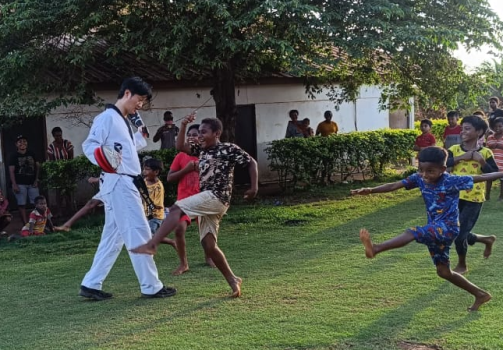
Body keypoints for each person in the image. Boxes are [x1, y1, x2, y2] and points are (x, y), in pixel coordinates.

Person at [352, 146, 503, 311]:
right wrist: (371, 190)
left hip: (448, 228)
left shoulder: (451, 180)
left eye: (430, 171)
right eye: (421, 169)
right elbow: (395, 185)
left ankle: (376, 249)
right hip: (434, 228)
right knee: (443, 272)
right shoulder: (419, 178)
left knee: (413, 232)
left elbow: (483, 176)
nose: (424, 175)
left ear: (443, 169)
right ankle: (480, 294)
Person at [132, 116, 259, 298]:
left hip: (217, 197)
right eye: (199, 132)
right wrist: (183, 125)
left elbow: (251, 162)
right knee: (208, 245)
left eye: (204, 132)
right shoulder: (202, 150)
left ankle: (152, 244)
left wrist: (254, 187)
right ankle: (233, 280)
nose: (199, 136)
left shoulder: (228, 148)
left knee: (176, 208)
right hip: (209, 201)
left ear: (217, 133)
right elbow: (180, 147)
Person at [79, 76, 175, 301]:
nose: (140, 104)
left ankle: (91, 283)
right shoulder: (107, 118)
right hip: (119, 182)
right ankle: (151, 286)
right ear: (127, 94)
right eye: (139, 99)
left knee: (113, 237)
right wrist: (105, 159)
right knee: (139, 231)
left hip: (123, 182)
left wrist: (139, 129)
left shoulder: (121, 120)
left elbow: (133, 147)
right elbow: (89, 145)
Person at [447, 115, 497, 275]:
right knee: (455, 232)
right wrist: (462, 158)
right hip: (454, 197)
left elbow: (495, 174)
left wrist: (481, 162)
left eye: (467, 129)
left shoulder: (486, 152)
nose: (463, 132)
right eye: (463, 128)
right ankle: (486, 239)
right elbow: (443, 166)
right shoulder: (454, 150)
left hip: (474, 199)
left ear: (479, 131)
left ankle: (462, 265)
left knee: (460, 235)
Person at [167, 124, 214, 275]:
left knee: (206, 231)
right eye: (190, 135)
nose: (192, 137)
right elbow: (170, 178)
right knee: (179, 230)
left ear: (201, 137)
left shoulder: (206, 154)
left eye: (195, 134)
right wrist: (186, 169)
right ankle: (184, 264)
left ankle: (209, 257)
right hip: (184, 201)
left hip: (202, 199)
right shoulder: (181, 156)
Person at [142, 158, 176, 248]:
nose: (144, 172)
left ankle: (171, 242)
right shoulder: (145, 181)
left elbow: (155, 205)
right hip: (145, 214)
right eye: (144, 169)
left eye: (147, 169)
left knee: (148, 237)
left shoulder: (158, 187)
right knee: (148, 236)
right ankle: (172, 242)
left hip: (155, 216)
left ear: (156, 172)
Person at [8, 135, 40, 225]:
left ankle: (38, 223)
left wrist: (36, 180)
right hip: (19, 183)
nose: (22, 143)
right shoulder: (13, 156)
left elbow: (37, 166)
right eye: (20, 142)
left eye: (24, 141)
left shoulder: (32, 153)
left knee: (37, 203)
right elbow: (11, 171)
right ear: (16, 144)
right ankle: (26, 224)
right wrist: (14, 184)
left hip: (32, 183)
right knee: (22, 204)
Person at [47, 126, 75, 217]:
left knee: (68, 191)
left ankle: (69, 209)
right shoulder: (51, 147)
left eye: (60, 135)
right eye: (56, 136)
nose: (59, 137)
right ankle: (59, 211)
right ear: (53, 136)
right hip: (57, 172)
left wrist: (68, 170)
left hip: (67, 171)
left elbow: (71, 158)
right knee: (58, 192)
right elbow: (52, 162)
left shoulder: (67, 144)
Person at [486, 117, 503, 201]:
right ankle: (487, 195)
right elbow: (487, 147)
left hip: (502, 161)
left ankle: (501, 196)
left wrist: (500, 146)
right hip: (492, 161)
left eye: (500, 126)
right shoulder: (490, 137)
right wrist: (491, 146)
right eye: (496, 126)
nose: (498, 128)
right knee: (489, 178)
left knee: (502, 179)